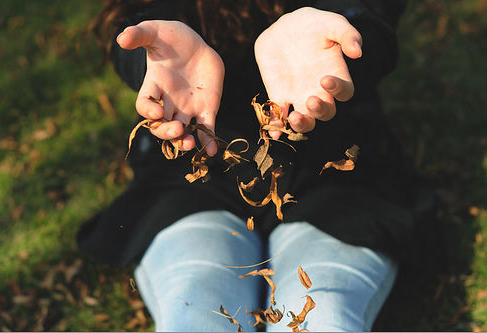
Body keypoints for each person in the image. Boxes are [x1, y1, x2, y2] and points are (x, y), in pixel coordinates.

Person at [78, 0, 423, 331]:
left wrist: (343, 32)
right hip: (192, 171)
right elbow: (134, 21)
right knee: (195, 309)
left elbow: (371, 15)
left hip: (328, 170)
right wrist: (152, 56)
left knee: (322, 315)